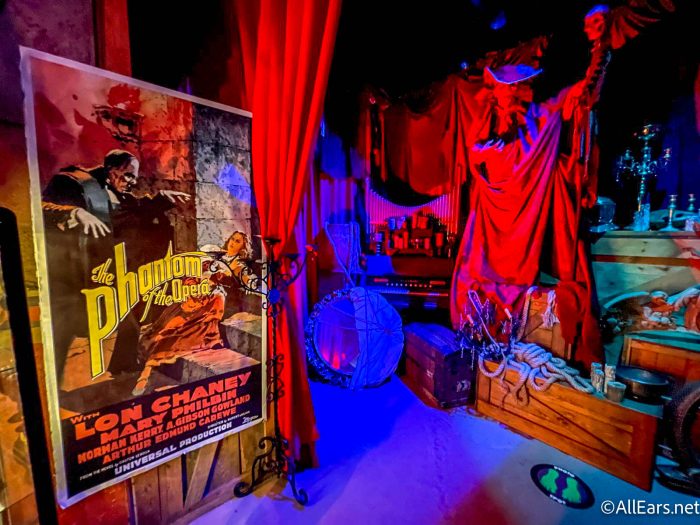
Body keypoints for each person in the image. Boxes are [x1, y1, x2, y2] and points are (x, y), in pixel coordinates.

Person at [450, 6, 614, 367]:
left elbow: (583, 93)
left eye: (515, 88)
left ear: (524, 90)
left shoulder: (543, 120)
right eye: (502, 89)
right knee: (471, 278)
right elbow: (476, 156)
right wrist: (485, 154)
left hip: (524, 231)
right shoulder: (488, 129)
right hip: (490, 229)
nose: (508, 95)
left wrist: (600, 48)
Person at [41, 149, 190, 382]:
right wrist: (75, 213)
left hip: (113, 269)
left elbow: (138, 208)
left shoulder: (122, 196)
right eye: (128, 175)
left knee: (131, 316)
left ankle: (123, 364)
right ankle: (47, 385)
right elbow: (43, 208)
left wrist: (162, 197)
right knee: (64, 329)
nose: (132, 181)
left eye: (134, 177)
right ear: (111, 170)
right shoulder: (74, 182)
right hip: (76, 274)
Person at [132, 231, 258, 395]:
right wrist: (195, 283)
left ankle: (145, 374)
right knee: (165, 328)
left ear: (243, 246)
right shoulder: (215, 252)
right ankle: (146, 368)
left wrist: (250, 281)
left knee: (179, 332)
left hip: (212, 301)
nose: (233, 243)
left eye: (238, 241)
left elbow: (246, 279)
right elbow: (193, 273)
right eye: (232, 239)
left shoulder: (237, 265)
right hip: (194, 296)